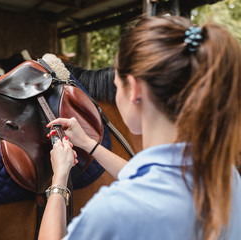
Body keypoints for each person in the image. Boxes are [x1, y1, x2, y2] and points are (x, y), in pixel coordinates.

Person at [38, 15, 241, 240]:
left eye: (117, 85)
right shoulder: (227, 178)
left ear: (134, 90)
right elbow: (145, 176)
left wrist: (59, 178)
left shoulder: (113, 211)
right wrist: (89, 144)